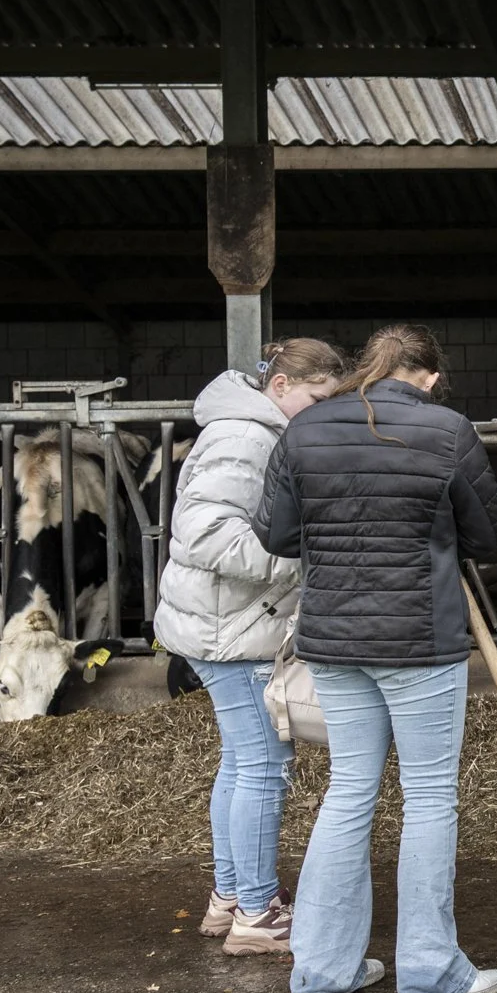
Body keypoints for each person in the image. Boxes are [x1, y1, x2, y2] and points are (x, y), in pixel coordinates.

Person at [253, 323, 497, 993]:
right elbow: (490, 535)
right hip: (418, 640)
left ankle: (322, 969)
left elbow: (275, 531)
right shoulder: (447, 429)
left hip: (333, 640)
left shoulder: (303, 432)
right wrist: (431, 525)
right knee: (428, 797)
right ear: (425, 376)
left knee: (349, 791)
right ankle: (430, 973)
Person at [154, 337, 347, 957]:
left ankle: (231, 897)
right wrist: (298, 564)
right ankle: (258, 915)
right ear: (283, 384)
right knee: (263, 766)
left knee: (242, 763)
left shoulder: (256, 430)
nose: (318, 412)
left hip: (224, 621)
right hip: (231, 627)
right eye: (315, 398)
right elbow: (206, 535)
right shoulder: (246, 437)